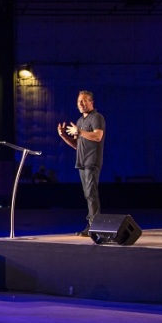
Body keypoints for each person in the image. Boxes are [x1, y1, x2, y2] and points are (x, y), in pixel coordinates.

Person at [58, 90, 106, 236]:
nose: (80, 103)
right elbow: (76, 145)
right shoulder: (80, 122)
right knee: (87, 194)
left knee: (91, 193)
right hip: (81, 162)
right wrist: (64, 136)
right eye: (79, 101)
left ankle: (95, 227)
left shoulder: (97, 117)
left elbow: (98, 136)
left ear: (91, 102)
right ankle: (92, 225)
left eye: (84, 101)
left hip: (92, 161)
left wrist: (79, 132)